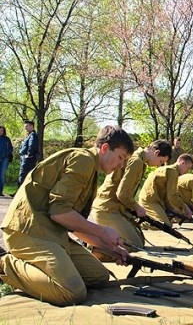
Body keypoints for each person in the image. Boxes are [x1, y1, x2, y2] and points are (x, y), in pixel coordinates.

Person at [0, 125, 134, 306]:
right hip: (28, 231)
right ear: (104, 148)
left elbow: (72, 222)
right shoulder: (84, 160)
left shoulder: (91, 167)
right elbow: (59, 213)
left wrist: (109, 248)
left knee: (100, 277)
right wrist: (103, 232)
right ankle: (4, 262)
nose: (121, 165)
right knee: (72, 292)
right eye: (120, 157)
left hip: (52, 234)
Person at [90, 140, 172, 251]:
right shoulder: (137, 161)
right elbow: (123, 194)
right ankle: (93, 246)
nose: (159, 165)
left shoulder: (138, 159)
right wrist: (137, 207)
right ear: (156, 153)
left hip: (115, 208)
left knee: (139, 240)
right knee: (134, 244)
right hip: (107, 208)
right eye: (161, 161)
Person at [138, 154, 193, 226]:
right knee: (164, 225)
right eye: (188, 168)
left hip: (155, 199)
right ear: (182, 163)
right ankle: (140, 222)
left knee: (169, 223)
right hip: (149, 201)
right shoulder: (172, 172)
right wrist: (184, 207)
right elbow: (172, 196)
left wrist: (174, 209)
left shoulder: (171, 170)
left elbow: (167, 195)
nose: (187, 171)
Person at [17, 120, 39, 188]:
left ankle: (19, 192)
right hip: (29, 158)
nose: (25, 128)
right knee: (26, 174)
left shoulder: (32, 135)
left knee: (23, 174)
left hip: (28, 159)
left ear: (31, 126)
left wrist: (28, 155)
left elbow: (31, 145)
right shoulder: (30, 135)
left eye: (26, 126)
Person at [0, 126, 13, 197]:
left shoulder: (7, 139)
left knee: (2, 175)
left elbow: (11, 148)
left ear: (3, 131)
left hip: (5, 159)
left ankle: (0, 191)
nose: (0, 131)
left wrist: (7, 154)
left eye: (2, 130)